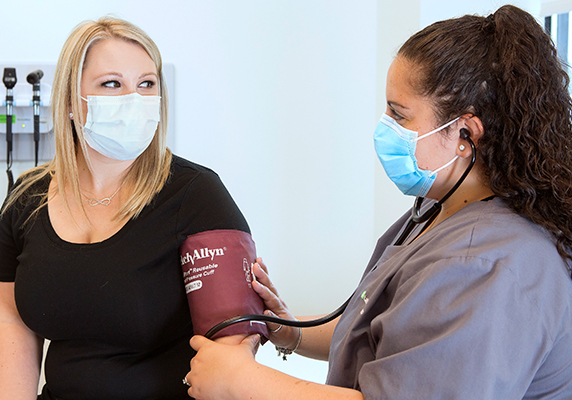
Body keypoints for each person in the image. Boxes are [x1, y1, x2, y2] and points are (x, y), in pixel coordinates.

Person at [185, 5, 572, 399]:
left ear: (464, 133)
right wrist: (289, 331)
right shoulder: (440, 209)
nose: (383, 128)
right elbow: (386, 327)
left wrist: (241, 382)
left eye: (398, 115)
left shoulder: (483, 265)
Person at [0, 16, 250, 400]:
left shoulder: (196, 195)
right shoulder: (27, 201)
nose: (134, 99)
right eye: (112, 84)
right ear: (72, 102)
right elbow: (8, 321)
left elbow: (233, 349)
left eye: (147, 84)